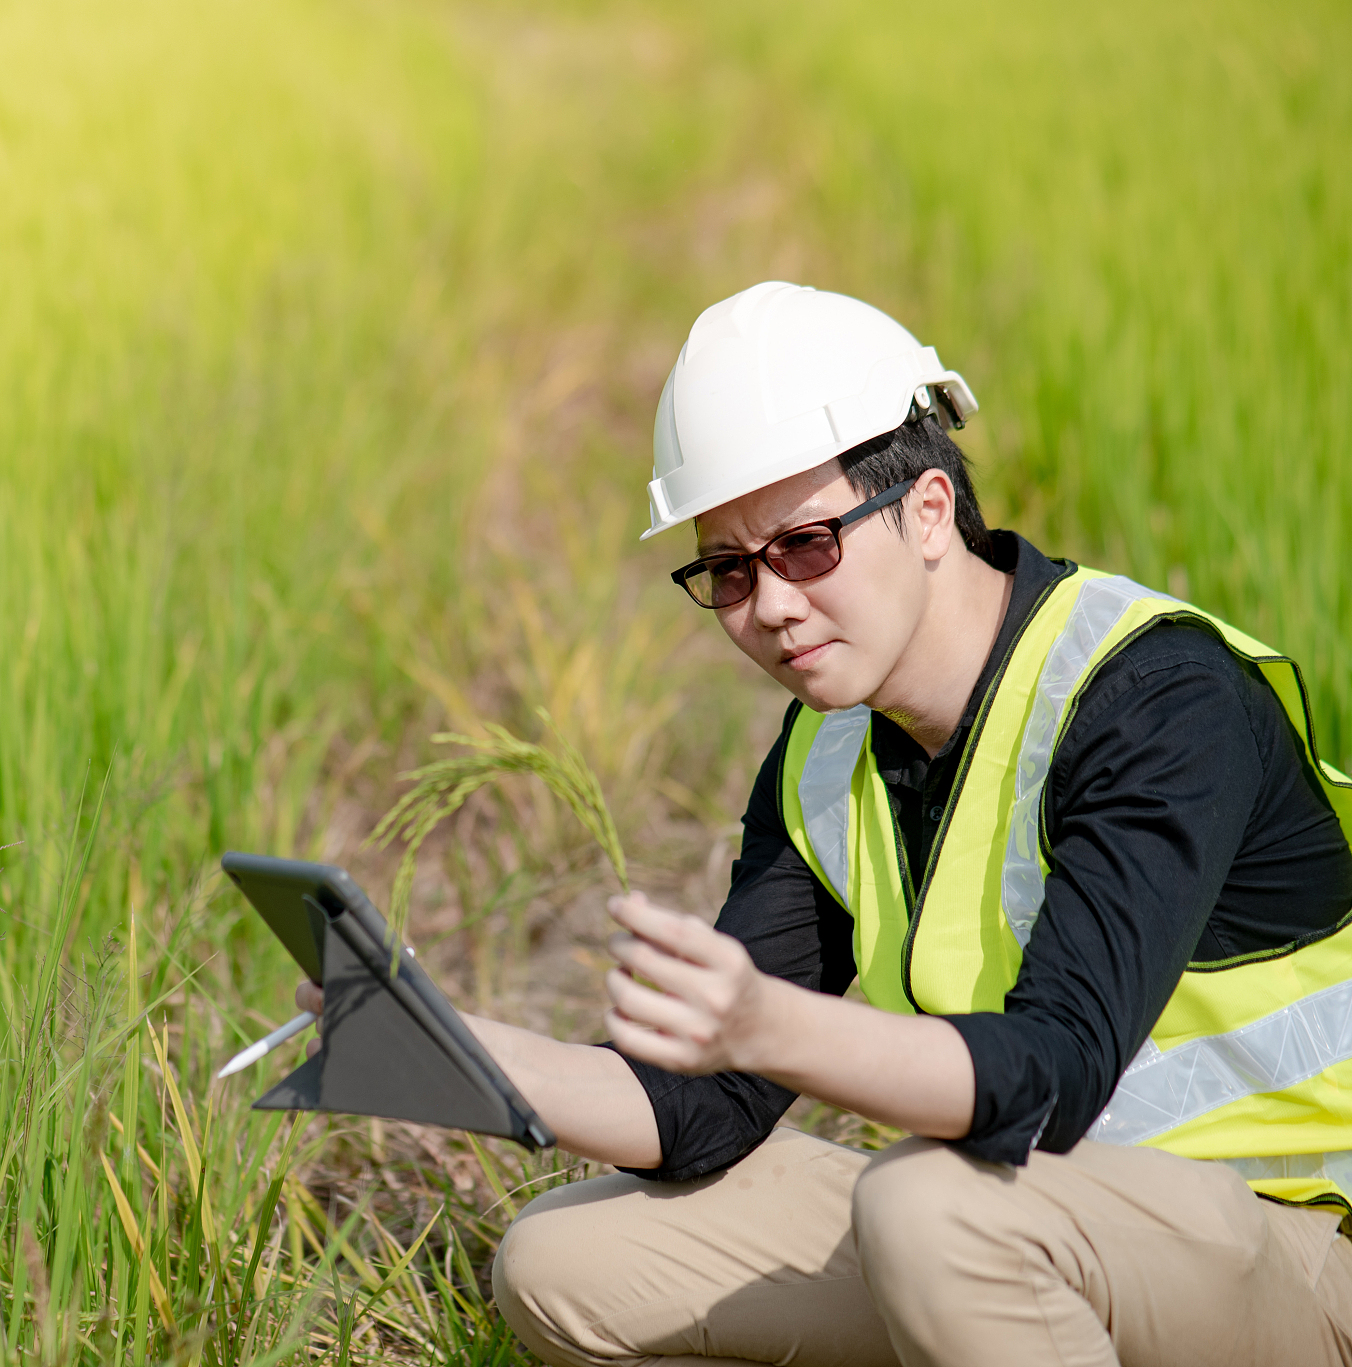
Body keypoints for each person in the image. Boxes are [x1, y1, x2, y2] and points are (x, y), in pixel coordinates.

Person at [304, 282, 1352, 1365]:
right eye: (726, 569)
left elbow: (1053, 1072)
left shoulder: (1155, 699)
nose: (768, 606)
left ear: (930, 510)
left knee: (927, 1206)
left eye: (804, 545)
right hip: (1035, 1225)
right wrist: (441, 1045)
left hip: (1290, 1249)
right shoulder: (827, 753)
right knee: (563, 1259)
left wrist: (768, 1024)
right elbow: (699, 1105)